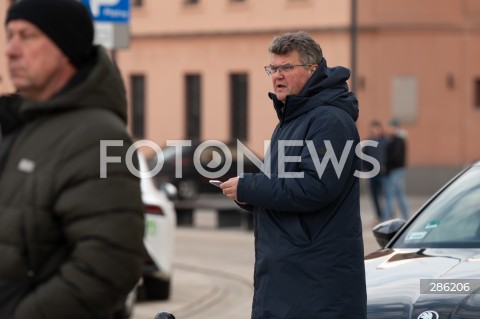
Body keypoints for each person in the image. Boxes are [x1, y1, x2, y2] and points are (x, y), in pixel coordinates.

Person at [0, 1, 145, 318]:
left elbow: (111, 264)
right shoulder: (19, 125)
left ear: (65, 48)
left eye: (27, 36)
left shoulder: (98, 136)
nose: (11, 50)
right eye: (9, 35)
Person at [220, 31, 366, 319]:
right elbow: (281, 185)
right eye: (273, 69)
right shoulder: (292, 119)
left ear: (313, 70)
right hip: (289, 275)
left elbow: (317, 187)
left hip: (315, 281)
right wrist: (246, 195)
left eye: (287, 68)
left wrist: (250, 188)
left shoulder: (329, 120)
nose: (277, 76)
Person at [383, 118, 410, 220]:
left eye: (391, 127)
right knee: (399, 195)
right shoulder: (397, 139)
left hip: (395, 170)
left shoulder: (397, 139)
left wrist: (387, 166)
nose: (389, 129)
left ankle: (387, 218)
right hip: (398, 170)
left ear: (395, 127)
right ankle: (407, 217)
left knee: (390, 195)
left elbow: (395, 156)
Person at [363, 119, 388, 221]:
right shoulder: (368, 141)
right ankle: (378, 215)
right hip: (372, 173)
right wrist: (365, 169)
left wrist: (386, 166)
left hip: (383, 173)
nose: (374, 130)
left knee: (386, 194)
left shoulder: (385, 141)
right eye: (372, 128)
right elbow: (364, 156)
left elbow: (388, 156)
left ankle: (388, 214)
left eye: (376, 128)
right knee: (374, 195)